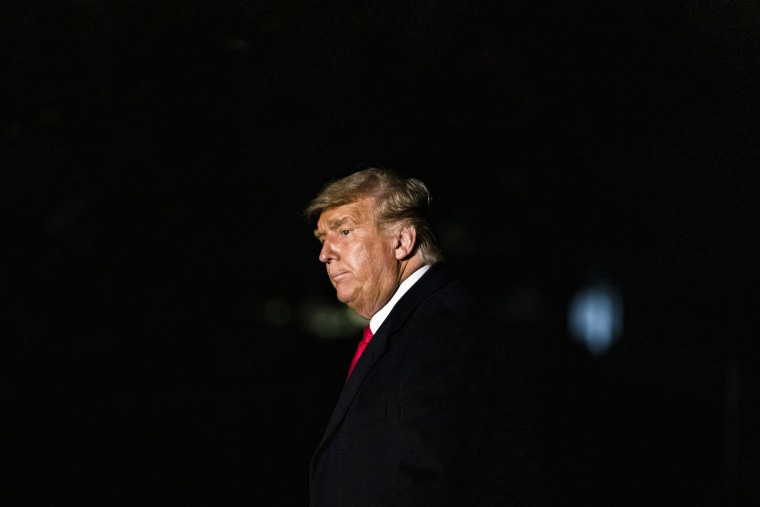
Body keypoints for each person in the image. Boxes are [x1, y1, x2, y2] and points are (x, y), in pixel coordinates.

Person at [303, 167, 543, 506]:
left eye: (344, 230)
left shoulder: (444, 325)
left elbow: (431, 478)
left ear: (402, 241)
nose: (325, 253)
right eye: (322, 239)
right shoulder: (412, 324)